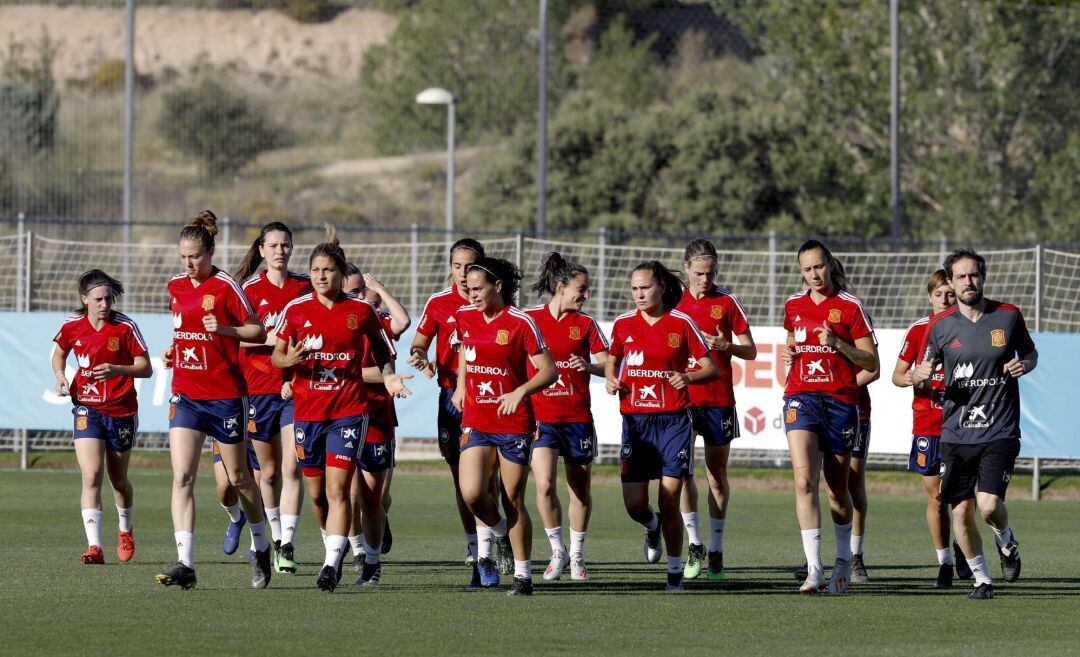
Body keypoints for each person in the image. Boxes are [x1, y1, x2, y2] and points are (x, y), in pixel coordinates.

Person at [272, 226, 411, 592]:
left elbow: (384, 354)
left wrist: (391, 378)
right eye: (315, 270)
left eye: (328, 270)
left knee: (342, 491)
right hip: (308, 413)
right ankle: (339, 548)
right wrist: (290, 358)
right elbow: (276, 355)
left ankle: (335, 564)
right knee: (317, 494)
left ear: (340, 272)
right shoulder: (296, 310)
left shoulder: (361, 311)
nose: (320, 276)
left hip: (349, 411)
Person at [156, 210, 272, 590]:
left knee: (239, 478)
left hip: (225, 397)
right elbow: (184, 333)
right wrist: (174, 351)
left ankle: (260, 546)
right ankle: (185, 562)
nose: (189, 264)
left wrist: (222, 329)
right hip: (186, 395)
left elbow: (256, 329)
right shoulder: (175, 286)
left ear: (210, 252)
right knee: (182, 476)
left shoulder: (225, 286)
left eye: (196, 257)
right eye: (183, 257)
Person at [913, 249, 1037, 600]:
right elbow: (921, 371)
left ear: (983, 277)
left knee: (988, 506)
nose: (969, 282)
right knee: (961, 509)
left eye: (974, 275)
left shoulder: (1008, 315)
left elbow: (1030, 353)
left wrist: (1024, 364)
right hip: (955, 432)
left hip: (999, 429)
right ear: (950, 281)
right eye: (961, 276)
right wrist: (919, 375)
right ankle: (982, 579)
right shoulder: (940, 325)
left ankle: (1006, 540)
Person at [606, 261, 718, 592]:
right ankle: (651, 526)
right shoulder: (624, 324)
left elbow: (711, 367)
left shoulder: (682, 323)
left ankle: (674, 573)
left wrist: (688, 376)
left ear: (662, 288)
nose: (639, 294)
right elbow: (613, 357)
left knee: (670, 499)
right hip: (636, 423)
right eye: (635, 288)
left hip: (673, 421)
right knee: (635, 504)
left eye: (646, 287)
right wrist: (612, 378)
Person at [452, 257, 557, 596]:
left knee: (513, 498)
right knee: (471, 493)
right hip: (477, 419)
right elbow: (466, 349)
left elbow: (549, 371)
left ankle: (523, 577)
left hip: (514, 422)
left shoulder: (521, 322)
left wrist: (521, 391)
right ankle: (501, 534)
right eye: (468, 289)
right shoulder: (465, 316)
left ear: (497, 286)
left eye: (478, 289)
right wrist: (461, 386)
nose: (471, 296)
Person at [783, 240, 878, 595]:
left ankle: (842, 558)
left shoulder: (850, 307)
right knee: (803, 481)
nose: (814, 275)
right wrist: (790, 352)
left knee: (838, 491)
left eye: (819, 267)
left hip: (840, 402)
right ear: (801, 272)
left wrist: (839, 345)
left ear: (830, 264)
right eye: (807, 269)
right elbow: (792, 340)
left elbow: (871, 363)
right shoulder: (793, 304)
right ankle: (814, 568)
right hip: (800, 398)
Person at [408, 239, 505, 584]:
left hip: (493, 400)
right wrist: (420, 356)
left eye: (470, 266)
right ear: (450, 267)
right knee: (462, 479)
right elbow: (419, 341)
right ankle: (477, 545)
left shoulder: (497, 303)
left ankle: (488, 553)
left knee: (489, 479)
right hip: (452, 399)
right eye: (457, 266)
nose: (463, 274)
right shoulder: (438, 303)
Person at [52, 270, 152, 565]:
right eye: (98, 299)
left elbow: (146, 368)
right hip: (86, 407)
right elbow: (58, 354)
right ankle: (94, 546)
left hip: (121, 410)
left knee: (118, 480)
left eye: (109, 298)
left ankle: (125, 529)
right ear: (85, 300)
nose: (105, 304)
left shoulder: (125, 327)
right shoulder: (72, 326)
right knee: (91, 474)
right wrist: (60, 376)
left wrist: (117, 369)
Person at [674, 239, 756, 582]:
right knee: (680, 473)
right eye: (698, 273)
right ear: (686, 271)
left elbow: (750, 351)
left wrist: (728, 346)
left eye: (710, 273)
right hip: (681, 399)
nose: (704, 280)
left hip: (719, 400)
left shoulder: (727, 301)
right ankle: (695, 543)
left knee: (716, 476)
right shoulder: (673, 302)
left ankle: (717, 550)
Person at [524, 252, 609, 582]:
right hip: (541, 418)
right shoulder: (531, 320)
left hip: (577, 419)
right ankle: (557, 551)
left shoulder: (586, 324)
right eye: (582, 289)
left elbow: (611, 365)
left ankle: (577, 554)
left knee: (580, 489)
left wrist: (589, 366)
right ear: (560, 287)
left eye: (587, 290)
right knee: (544, 485)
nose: (586, 295)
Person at [235, 221, 312, 573]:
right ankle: (272, 536)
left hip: (297, 389)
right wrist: (274, 341)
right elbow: (236, 337)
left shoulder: (305, 288)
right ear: (262, 250)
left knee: (292, 466)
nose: (280, 251)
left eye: (286, 244)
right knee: (266, 473)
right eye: (274, 245)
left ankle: (287, 545)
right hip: (258, 390)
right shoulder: (248, 290)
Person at [893, 268, 973, 589]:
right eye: (938, 294)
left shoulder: (971, 329)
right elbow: (897, 376)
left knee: (963, 498)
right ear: (930, 296)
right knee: (937, 498)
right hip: (928, 425)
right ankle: (944, 562)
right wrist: (915, 376)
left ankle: (964, 546)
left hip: (964, 425)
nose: (944, 299)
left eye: (950, 294)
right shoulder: (917, 331)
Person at [342, 265, 410, 585]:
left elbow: (404, 321)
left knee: (377, 497)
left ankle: (376, 530)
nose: (359, 296)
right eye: (352, 291)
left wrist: (380, 290)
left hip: (380, 416)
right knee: (350, 493)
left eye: (361, 290)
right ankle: (360, 552)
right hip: (345, 415)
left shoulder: (377, 321)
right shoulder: (338, 323)